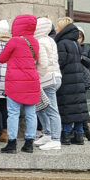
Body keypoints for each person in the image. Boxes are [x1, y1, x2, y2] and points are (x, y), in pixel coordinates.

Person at [0, 15, 40, 154]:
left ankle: (12, 143)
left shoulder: (14, 41)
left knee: (13, 113)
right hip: (31, 81)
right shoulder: (35, 41)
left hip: (15, 82)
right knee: (31, 114)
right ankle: (29, 144)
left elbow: (1, 58)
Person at [54, 17, 89, 145]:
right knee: (78, 109)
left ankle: (66, 136)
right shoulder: (75, 43)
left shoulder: (62, 43)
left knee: (67, 108)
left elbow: (61, 61)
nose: (56, 29)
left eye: (57, 27)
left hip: (67, 80)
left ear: (62, 28)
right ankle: (79, 136)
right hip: (77, 80)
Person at [33, 17, 63, 151]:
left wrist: (37, 74)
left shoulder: (40, 41)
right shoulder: (50, 40)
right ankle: (48, 134)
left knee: (50, 109)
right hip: (55, 76)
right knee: (41, 107)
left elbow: (43, 63)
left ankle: (55, 139)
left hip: (46, 78)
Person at [76, 27, 90, 142]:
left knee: (81, 106)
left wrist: (82, 57)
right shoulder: (70, 46)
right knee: (78, 107)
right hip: (73, 80)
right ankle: (84, 132)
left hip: (84, 80)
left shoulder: (86, 48)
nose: (78, 39)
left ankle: (86, 132)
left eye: (80, 37)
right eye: (77, 37)